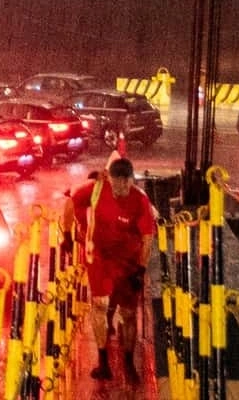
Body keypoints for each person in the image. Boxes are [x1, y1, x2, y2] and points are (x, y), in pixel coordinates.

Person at [76, 156, 156, 382]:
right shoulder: (96, 189)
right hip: (100, 260)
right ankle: (103, 362)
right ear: (108, 179)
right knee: (99, 307)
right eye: (116, 181)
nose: (120, 187)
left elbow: (148, 238)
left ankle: (129, 362)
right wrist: (78, 229)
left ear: (132, 181)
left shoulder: (140, 202)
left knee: (129, 314)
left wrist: (140, 269)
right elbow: (73, 200)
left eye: (125, 181)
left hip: (128, 263)